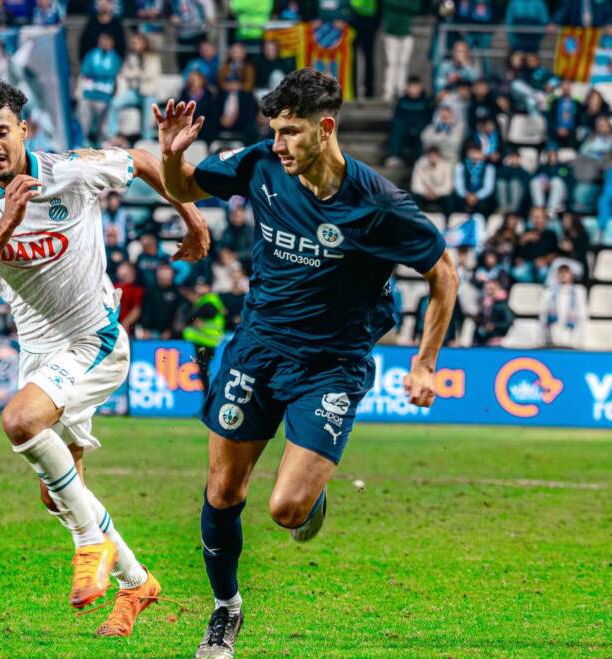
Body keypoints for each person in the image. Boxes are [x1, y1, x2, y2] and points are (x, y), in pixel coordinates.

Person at [153, 69, 458, 658]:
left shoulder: (379, 204)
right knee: (223, 490)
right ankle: (224, 611)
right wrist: (170, 157)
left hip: (331, 364)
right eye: (274, 131)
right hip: (258, 348)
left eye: (290, 132)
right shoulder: (263, 163)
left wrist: (424, 364)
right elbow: (185, 188)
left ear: (325, 128)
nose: (279, 144)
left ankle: (310, 496)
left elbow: (443, 275)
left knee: (286, 509)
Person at [0, 81, 210, 636]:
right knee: (58, 492)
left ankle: (90, 545)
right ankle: (138, 584)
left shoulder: (71, 169)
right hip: (39, 352)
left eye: (2, 131)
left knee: (20, 420)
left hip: (96, 340)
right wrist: (8, 221)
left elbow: (140, 160)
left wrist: (194, 220)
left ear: (23, 130)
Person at [540, 263, 587, 347]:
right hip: (554, 332)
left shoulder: (579, 291)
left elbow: (582, 315)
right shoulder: (549, 292)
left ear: (572, 275)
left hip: (572, 332)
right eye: (561, 273)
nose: (563, 275)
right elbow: (543, 315)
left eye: (566, 272)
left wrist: (579, 338)